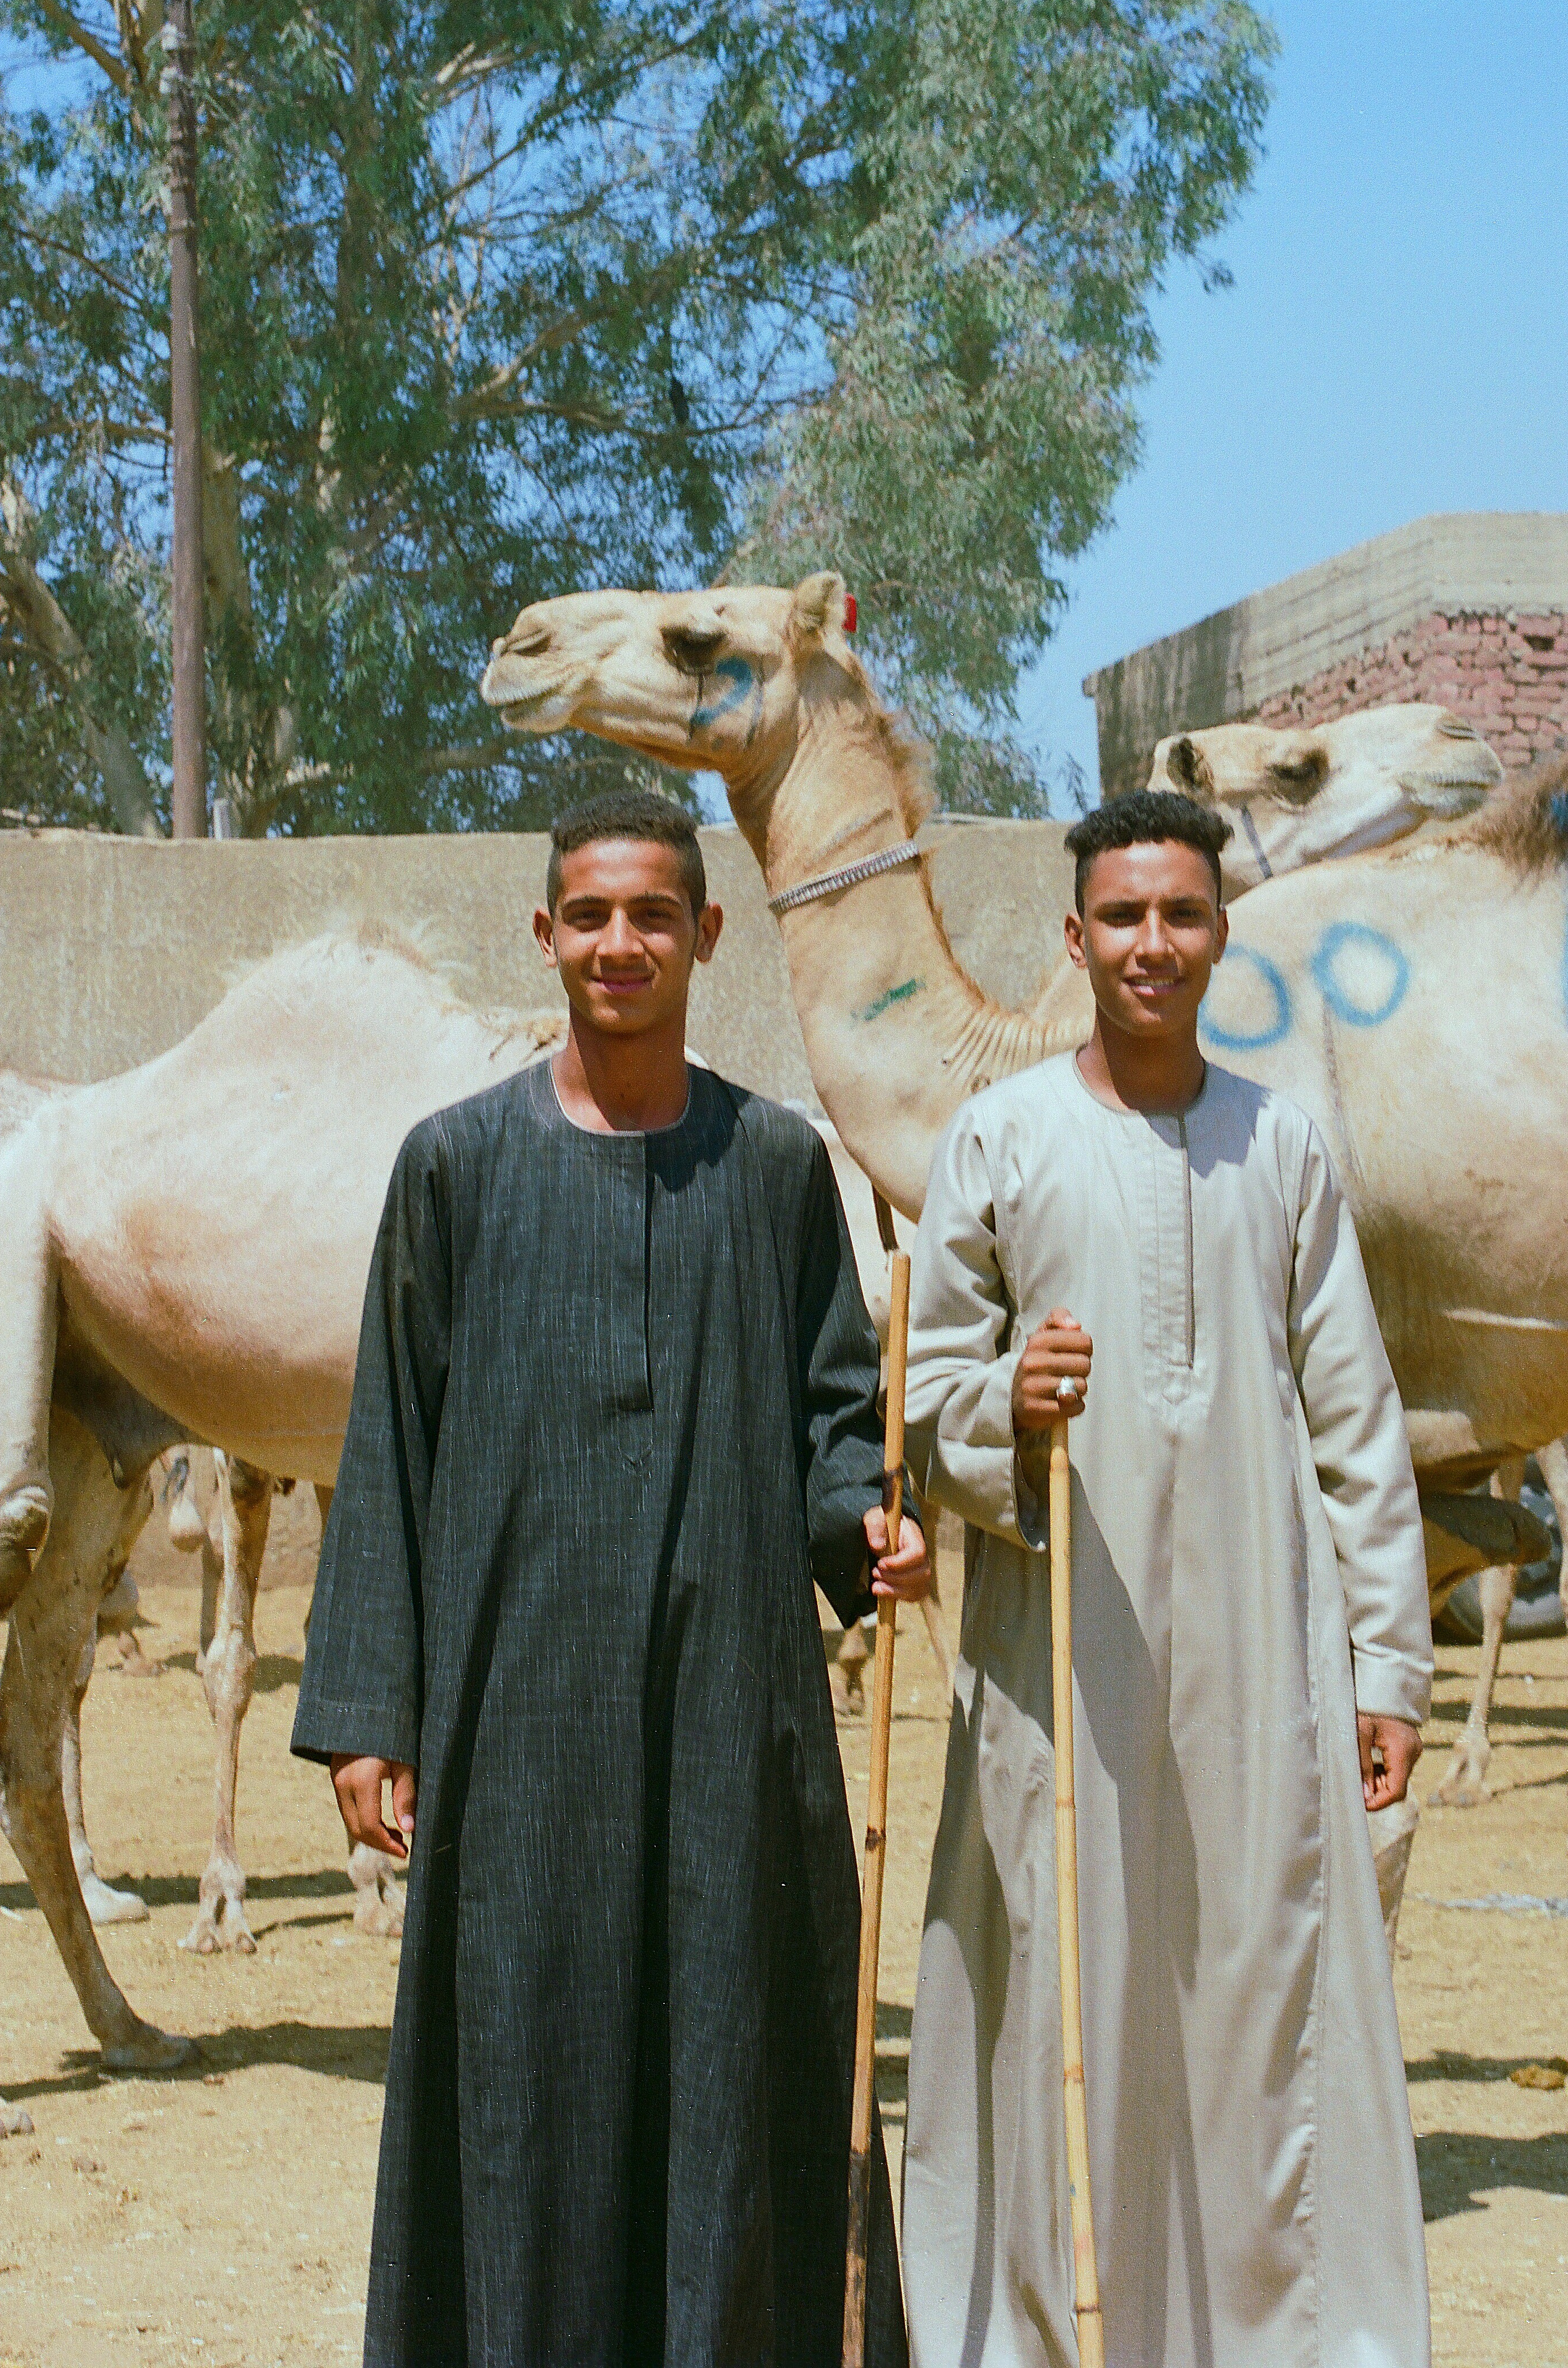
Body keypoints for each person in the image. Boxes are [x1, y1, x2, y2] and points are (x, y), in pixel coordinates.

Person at [293, 788, 932, 2366]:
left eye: (654, 914)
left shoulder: (778, 1169)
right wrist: (376, 1705)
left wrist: (867, 1526)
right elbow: (390, 1442)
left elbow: (833, 1419)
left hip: (734, 1729)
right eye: (591, 915)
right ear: (546, 934)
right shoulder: (452, 1170)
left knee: (732, 2065)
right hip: (519, 1737)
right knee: (526, 2080)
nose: (621, 943)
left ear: (708, 935)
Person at [901, 789, 1433, 2368]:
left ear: (1219, 938)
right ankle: (1050, 2334)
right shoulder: (999, 1142)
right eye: (1121, 917)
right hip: (1061, 1662)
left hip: (1266, 1673)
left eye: (1181, 915)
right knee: (1067, 1992)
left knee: (1256, 1988)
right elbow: (924, 1406)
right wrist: (1012, 1403)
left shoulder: (1283, 1144)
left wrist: (1387, 1666)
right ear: (1075, 940)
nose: (1151, 943)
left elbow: (1357, 1426)